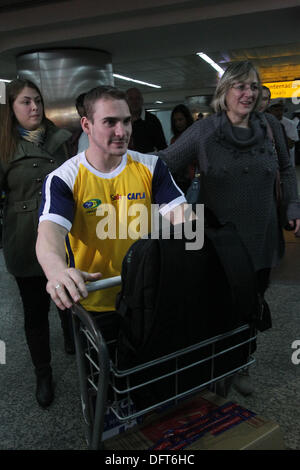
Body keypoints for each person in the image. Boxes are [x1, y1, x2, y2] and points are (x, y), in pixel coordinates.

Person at [155, 61, 300, 395]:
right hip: (217, 242)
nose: (248, 94)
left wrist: (293, 205)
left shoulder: (270, 127)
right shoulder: (205, 131)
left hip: (260, 237)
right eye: (240, 86)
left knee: (252, 304)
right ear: (224, 93)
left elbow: (287, 171)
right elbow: (163, 165)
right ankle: (215, 365)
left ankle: (241, 362)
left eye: (253, 87)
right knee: (217, 305)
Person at [35, 85, 187, 315]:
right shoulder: (63, 178)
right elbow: (49, 233)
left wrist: (202, 249)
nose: (122, 131)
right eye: (110, 122)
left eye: (126, 121)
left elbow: (183, 217)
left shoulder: (151, 167)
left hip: (145, 292)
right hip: (94, 299)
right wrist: (56, 270)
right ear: (87, 125)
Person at [0, 78, 73, 408]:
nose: (34, 108)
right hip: (25, 239)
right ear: (12, 108)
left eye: (38, 101)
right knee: (35, 312)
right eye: (26, 102)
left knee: (71, 298)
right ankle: (43, 372)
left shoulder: (60, 140)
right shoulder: (4, 146)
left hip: (64, 235)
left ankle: (75, 340)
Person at [126, 87, 167, 153]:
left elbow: (162, 146)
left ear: (142, 100)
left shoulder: (152, 120)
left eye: (137, 98)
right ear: (125, 102)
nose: (134, 101)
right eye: (131, 99)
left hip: (147, 161)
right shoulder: (121, 120)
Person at [170, 104, 195, 193]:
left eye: (180, 120)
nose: (178, 123)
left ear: (186, 119)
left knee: (196, 206)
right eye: (175, 121)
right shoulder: (174, 140)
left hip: (193, 180)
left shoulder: (195, 136)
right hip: (178, 181)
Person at [267, 98, 299, 166]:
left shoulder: (290, 124)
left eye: (281, 110)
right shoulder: (264, 122)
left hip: (286, 164)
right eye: (276, 110)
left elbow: (290, 145)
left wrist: (277, 130)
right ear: (269, 110)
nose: (280, 113)